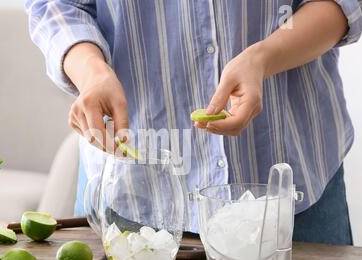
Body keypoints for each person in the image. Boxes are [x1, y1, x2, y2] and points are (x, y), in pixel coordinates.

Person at [26, 0, 362, 245]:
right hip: (132, 198)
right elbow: (57, 6)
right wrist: (92, 72)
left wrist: (263, 58)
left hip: (293, 188)